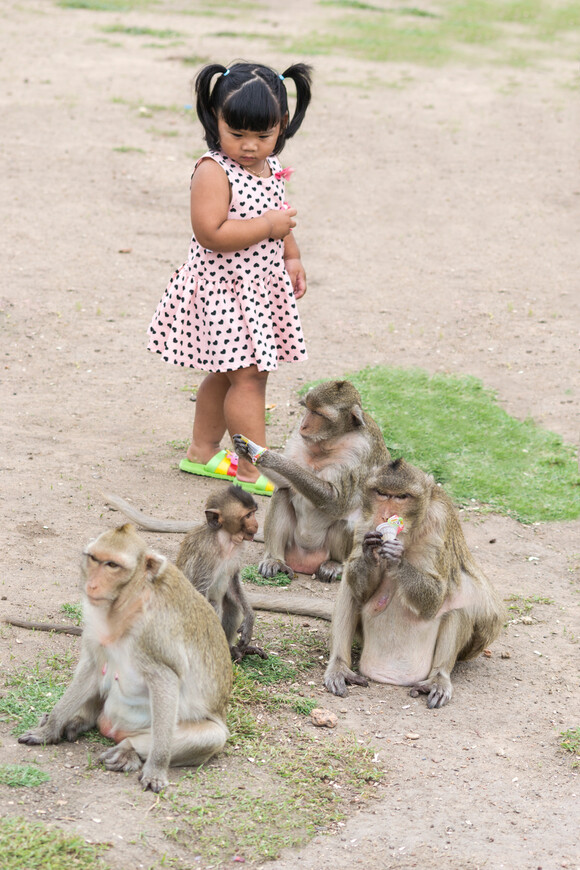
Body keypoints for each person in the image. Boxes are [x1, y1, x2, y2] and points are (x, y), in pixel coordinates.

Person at [148, 60, 313, 496]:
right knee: (249, 376)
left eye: (263, 136)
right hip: (223, 290)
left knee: (228, 374)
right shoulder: (213, 170)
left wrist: (291, 256)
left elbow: (282, 217)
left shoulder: (270, 167)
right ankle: (251, 468)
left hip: (256, 288)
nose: (250, 147)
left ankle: (202, 452)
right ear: (215, 119)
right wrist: (268, 228)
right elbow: (212, 232)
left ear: (281, 125)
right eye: (237, 134)